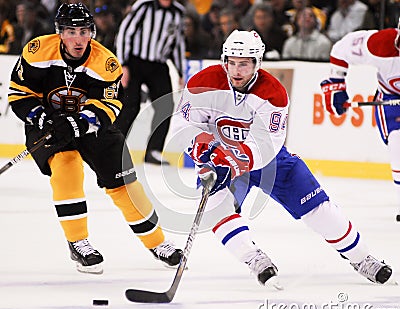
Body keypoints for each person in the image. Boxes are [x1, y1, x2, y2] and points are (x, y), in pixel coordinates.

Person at [169, 29, 393, 286]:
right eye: (232, 63)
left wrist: (233, 159)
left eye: (244, 64)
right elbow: (181, 127)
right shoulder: (202, 82)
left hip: (268, 160)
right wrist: (205, 150)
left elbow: (267, 144)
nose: (237, 71)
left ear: (257, 63)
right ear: (224, 61)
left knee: (316, 207)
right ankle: (255, 259)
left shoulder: (273, 92)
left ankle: (362, 258)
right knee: (215, 207)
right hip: (218, 158)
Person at [8, 3, 183, 274]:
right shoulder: (38, 51)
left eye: (83, 31)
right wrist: (44, 119)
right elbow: (19, 95)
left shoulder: (106, 63)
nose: (78, 39)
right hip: (48, 124)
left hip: (90, 127)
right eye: (70, 31)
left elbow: (109, 107)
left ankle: (157, 243)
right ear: (59, 33)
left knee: (124, 182)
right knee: (66, 167)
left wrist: (77, 123)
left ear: (92, 32)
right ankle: (78, 243)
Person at [320, 18, 400, 222]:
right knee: (398, 144)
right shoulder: (381, 44)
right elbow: (342, 48)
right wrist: (336, 84)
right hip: (392, 102)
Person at [115, 0, 185, 165]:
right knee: (130, 105)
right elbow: (125, 32)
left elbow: (178, 43)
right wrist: (123, 64)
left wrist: (181, 71)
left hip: (159, 64)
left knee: (165, 105)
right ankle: (115, 146)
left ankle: (154, 150)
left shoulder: (178, 12)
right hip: (134, 61)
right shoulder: (144, 5)